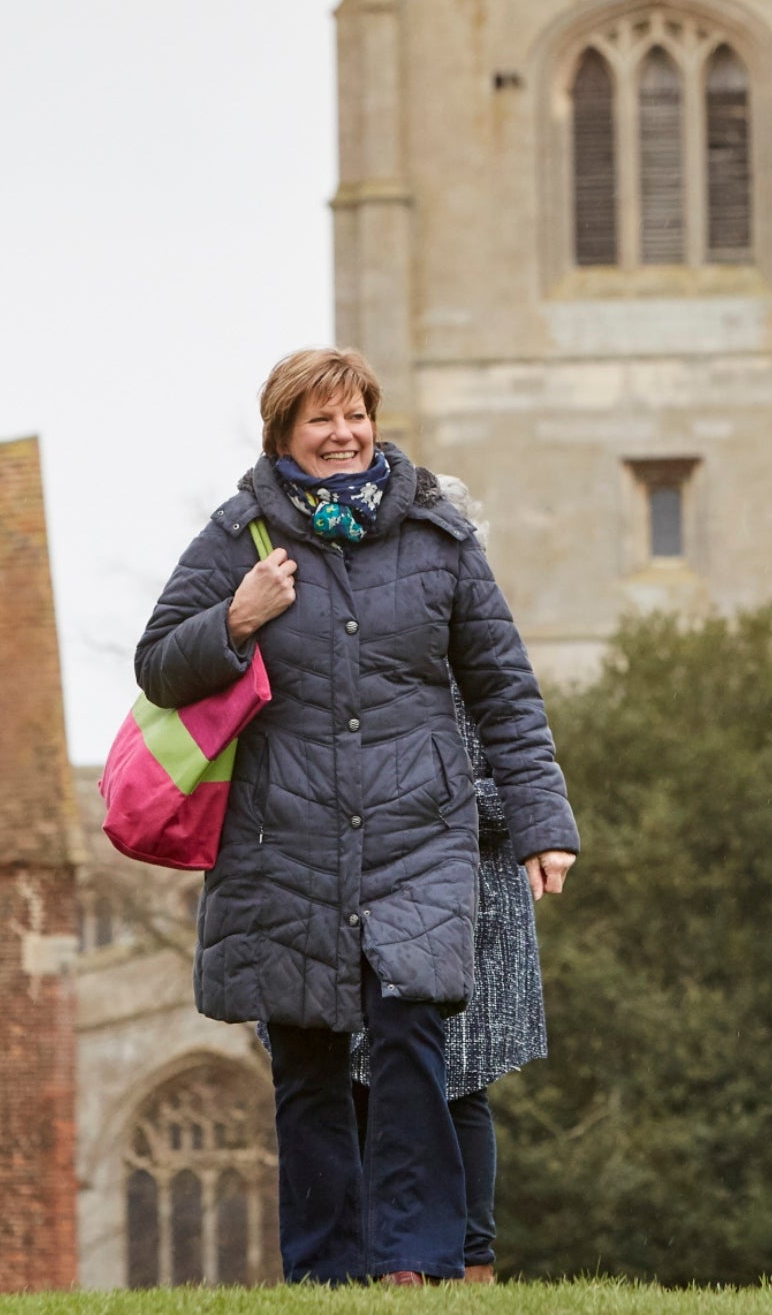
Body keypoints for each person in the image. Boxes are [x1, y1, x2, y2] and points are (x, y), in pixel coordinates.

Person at [135, 347, 579, 1286]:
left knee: (413, 1036)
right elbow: (158, 665)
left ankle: (416, 1265)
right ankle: (325, 1273)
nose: (343, 436)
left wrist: (544, 825)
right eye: (320, 422)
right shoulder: (237, 536)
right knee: (308, 1059)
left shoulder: (438, 536)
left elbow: (504, 689)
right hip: (281, 837)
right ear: (284, 436)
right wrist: (237, 620)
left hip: (417, 832)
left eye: (356, 416)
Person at [348, 480, 548, 1286]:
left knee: (457, 1089)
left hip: (473, 907)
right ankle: (386, 1260)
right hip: (373, 901)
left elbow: (515, 779)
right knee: (366, 1084)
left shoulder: (481, 658)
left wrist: (424, 796)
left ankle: (470, 1261)